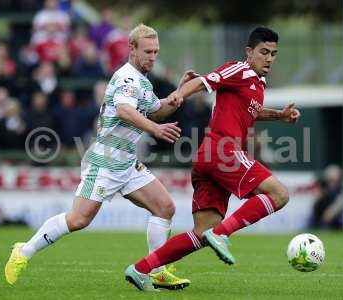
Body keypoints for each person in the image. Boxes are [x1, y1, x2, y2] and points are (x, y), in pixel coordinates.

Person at [4, 24, 192, 290]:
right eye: (147, 51)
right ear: (132, 49)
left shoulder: (143, 82)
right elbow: (126, 111)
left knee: (165, 207)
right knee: (78, 220)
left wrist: (178, 94)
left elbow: (157, 110)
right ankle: (23, 251)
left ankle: (157, 271)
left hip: (126, 162)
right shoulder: (127, 78)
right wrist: (154, 129)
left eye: (156, 51)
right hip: (104, 162)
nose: (152, 56)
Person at [125, 26, 301, 291]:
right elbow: (205, 81)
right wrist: (180, 93)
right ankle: (222, 234)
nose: (269, 58)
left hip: (209, 158)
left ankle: (140, 269)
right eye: (264, 52)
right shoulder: (238, 70)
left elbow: (249, 112)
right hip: (224, 152)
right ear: (249, 52)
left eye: (274, 54)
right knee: (279, 195)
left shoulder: (255, 83)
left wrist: (279, 116)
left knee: (201, 233)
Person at [309, 164, 343, 230]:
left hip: (334, 218)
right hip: (319, 215)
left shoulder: (341, 188)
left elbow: (339, 203)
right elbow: (314, 201)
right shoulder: (321, 185)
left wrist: (330, 212)